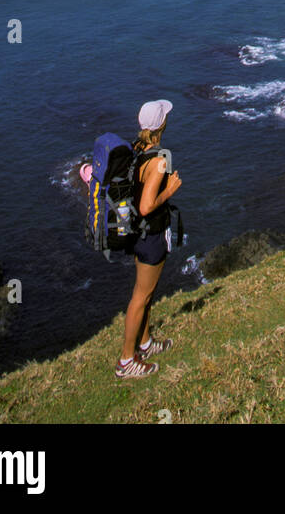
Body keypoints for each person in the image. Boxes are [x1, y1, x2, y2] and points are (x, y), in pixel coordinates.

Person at [115, 99, 182, 379]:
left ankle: (145, 343)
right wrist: (171, 189)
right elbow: (146, 205)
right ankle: (126, 361)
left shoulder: (136, 149)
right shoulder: (157, 161)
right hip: (150, 234)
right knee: (140, 297)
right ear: (161, 126)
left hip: (136, 233)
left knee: (147, 292)